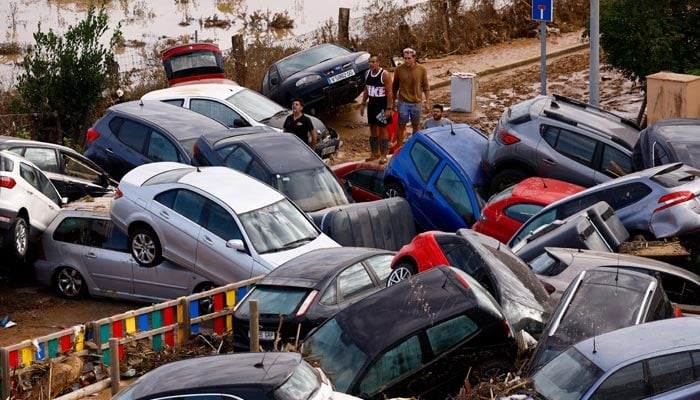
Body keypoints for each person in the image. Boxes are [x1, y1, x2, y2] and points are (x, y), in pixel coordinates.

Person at [392, 47, 430, 146]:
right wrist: (393, 102)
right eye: (405, 58)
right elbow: (394, 86)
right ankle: (399, 148)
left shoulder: (421, 70)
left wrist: (427, 102)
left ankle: (414, 147)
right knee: (401, 125)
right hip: (403, 102)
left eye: (409, 58)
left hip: (416, 102)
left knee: (416, 126)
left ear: (414, 58)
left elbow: (426, 86)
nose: (407, 60)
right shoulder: (399, 69)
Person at [360, 54, 394, 164]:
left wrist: (389, 108)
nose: (371, 64)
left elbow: (389, 93)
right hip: (372, 104)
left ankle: (384, 155)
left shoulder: (385, 75)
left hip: (381, 105)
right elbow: (366, 89)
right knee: (372, 128)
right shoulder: (367, 73)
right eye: (370, 61)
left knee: (383, 128)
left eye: (373, 62)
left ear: (378, 63)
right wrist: (363, 103)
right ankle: (375, 153)